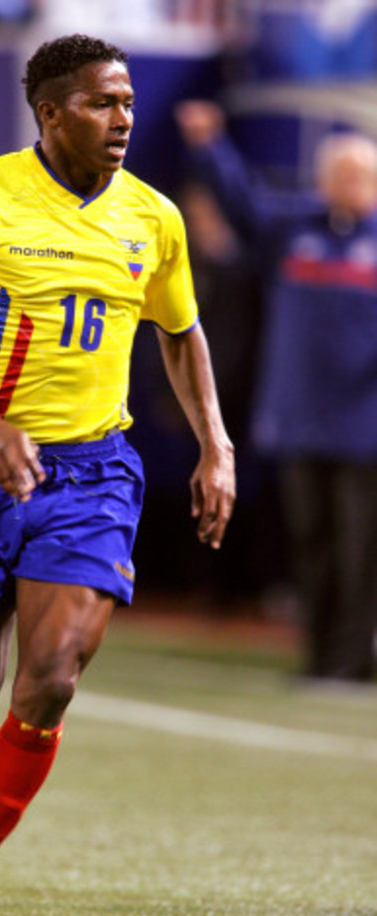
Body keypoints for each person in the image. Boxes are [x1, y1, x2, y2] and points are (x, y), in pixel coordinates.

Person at [0, 34, 235, 916]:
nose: (124, 119)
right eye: (105, 103)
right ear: (51, 112)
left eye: (130, 102)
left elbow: (179, 333)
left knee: (55, 674)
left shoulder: (153, 217)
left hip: (95, 471)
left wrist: (214, 444)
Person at [176, 100, 377, 682]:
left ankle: (355, 659)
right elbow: (241, 205)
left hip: (366, 427)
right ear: (320, 179)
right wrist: (210, 147)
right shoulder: (293, 232)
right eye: (338, 174)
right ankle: (320, 658)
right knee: (310, 545)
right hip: (298, 421)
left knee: (360, 550)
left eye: (359, 175)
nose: (347, 185)